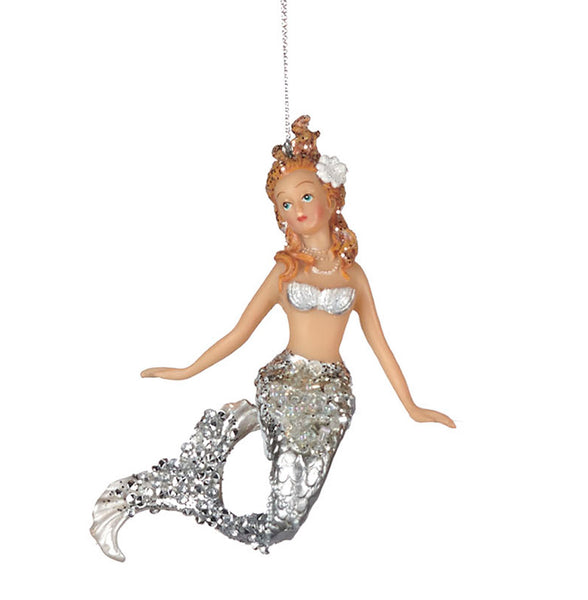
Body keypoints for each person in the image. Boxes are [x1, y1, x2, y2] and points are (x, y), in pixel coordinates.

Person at [90, 115, 455, 561]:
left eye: (306, 196)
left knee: (285, 524)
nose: (297, 209)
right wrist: (186, 370)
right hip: (285, 386)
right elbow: (239, 332)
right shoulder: (285, 271)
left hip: (331, 398)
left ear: (331, 197)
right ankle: (224, 441)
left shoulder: (354, 275)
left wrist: (412, 407)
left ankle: (213, 455)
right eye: (285, 203)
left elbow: (380, 345)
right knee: (282, 516)